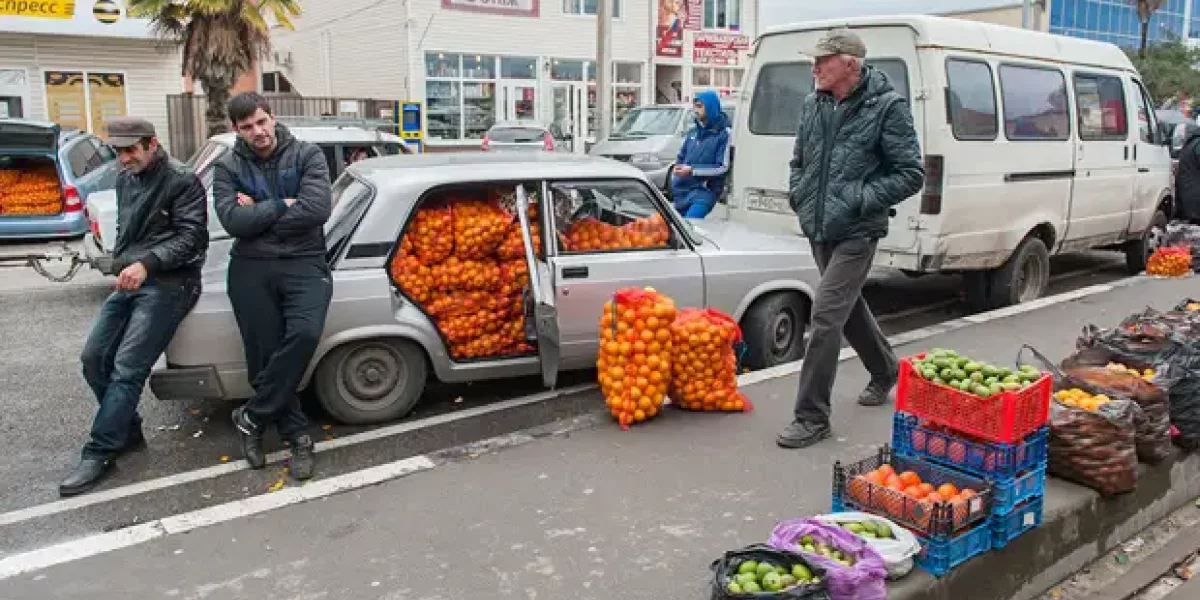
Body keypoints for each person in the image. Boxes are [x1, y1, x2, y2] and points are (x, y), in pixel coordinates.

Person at [777, 29, 924, 449]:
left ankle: (811, 416)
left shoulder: (886, 108)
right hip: (819, 225)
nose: (815, 67)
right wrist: (801, 196)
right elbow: (799, 160)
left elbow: (910, 173)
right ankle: (885, 370)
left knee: (825, 315)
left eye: (823, 60)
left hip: (858, 229)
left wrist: (861, 198)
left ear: (850, 64)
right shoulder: (813, 104)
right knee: (846, 306)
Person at [60, 117, 208, 496]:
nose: (123, 158)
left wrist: (148, 264)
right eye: (118, 151)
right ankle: (126, 430)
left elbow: (193, 239)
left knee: (128, 368)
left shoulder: (182, 180)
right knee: (93, 358)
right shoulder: (125, 177)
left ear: (152, 144)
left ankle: (100, 451)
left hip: (173, 281)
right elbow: (128, 231)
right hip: (133, 278)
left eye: (130, 150)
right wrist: (123, 264)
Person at [212, 92, 333, 480]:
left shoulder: (308, 155)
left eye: (261, 122)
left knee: (304, 333)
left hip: (304, 261)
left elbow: (317, 209)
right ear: (236, 130)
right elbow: (233, 222)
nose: (257, 131)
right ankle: (298, 437)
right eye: (247, 127)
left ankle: (251, 416)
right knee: (263, 355)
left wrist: (258, 211)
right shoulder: (227, 166)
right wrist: (282, 204)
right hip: (251, 267)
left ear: (272, 117)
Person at [670, 90, 732, 218]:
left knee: (690, 225)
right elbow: (682, 156)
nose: (696, 110)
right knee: (675, 230)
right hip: (683, 190)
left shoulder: (724, 134)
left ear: (710, 107)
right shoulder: (693, 132)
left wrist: (692, 170)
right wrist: (677, 170)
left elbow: (722, 167)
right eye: (695, 106)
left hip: (705, 192)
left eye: (700, 106)